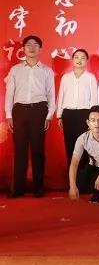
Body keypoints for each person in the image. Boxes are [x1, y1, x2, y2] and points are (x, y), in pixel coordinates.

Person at [5, 35, 55, 198]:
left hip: (39, 111)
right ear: (23, 49)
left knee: (38, 150)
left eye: (35, 45)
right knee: (19, 150)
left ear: (40, 49)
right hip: (19, 111)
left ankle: (38, 187)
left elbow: (51, 95)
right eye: (28, 45)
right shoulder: (15, 70)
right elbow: (9, 93)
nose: (32, 47)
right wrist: (8, 115)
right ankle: (18, 188)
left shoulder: (46, 70)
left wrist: (49, 115)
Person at [57, 48, 98, 163]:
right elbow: (61, 96)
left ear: (87, 61)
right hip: (68, 114)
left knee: (84, 143)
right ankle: (71, 172)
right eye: (76, 57)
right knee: (69, 143)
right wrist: (59, 115)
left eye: (83, 58)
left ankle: (83, 172)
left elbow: (94, 99)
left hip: (84, 114)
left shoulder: (90, 77)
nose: (79, 60)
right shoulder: (66, 77)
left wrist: (93, 118)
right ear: (72, 60)